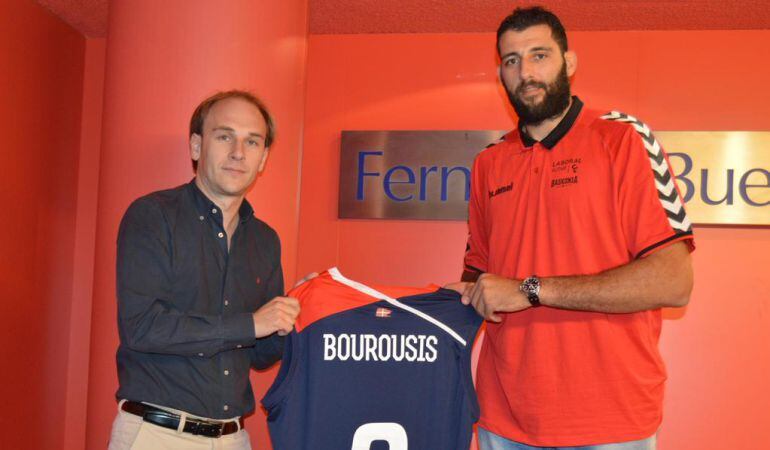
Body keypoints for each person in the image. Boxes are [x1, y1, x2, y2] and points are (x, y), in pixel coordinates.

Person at [454, 7, 695, 450]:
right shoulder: (489, 163)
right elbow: (476, 282)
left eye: (539, 55)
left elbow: (674, 280)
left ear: (569, 62)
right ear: (500, 75)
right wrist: (360, 300)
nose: (525, 72)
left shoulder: (622, 140)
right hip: (503, 419)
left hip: (610, 421)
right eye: (511, 61)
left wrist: (530, 289)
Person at [108, 90, 300, 450]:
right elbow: (142, 327)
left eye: (252, 141)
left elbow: (260, 354)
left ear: (263, 159)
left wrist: (292, 313)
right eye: (224, 136)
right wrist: (252, 323)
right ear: (196, 147)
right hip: (156, 435)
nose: (238, 153)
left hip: (232, 438)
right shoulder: (153, 216)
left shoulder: (265, 240)